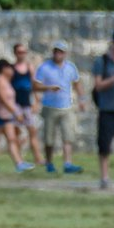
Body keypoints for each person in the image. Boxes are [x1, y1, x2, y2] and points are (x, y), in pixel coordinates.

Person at [36, 41, 84, 175]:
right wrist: (49, 88)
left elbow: (77, 83)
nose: (58, 54)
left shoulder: (70, 67)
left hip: (66, 106)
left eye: (61, 52)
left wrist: (82, 99)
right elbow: (36, 86)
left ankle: (67, 163)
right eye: (56, 51)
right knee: (49, 137)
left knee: (68, 135)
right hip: (50, 106)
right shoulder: (45, 67)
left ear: (65, 53)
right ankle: (49, 162)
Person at [91, 28, 114, 191]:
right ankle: (104, 178)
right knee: (104, 146)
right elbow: (98, 86)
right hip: (107, 109)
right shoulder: (102, 61)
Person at [10, 42, 53, 170]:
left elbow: (34, 85)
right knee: (16, 133)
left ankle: (38, 158)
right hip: (15, 104)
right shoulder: (11, 69)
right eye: (20, 52)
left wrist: (36, 101)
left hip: (27, 104)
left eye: (24, 52)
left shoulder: (29, 67)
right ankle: (19, 160)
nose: (22, 54)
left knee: (32, 131)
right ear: (15, 53)